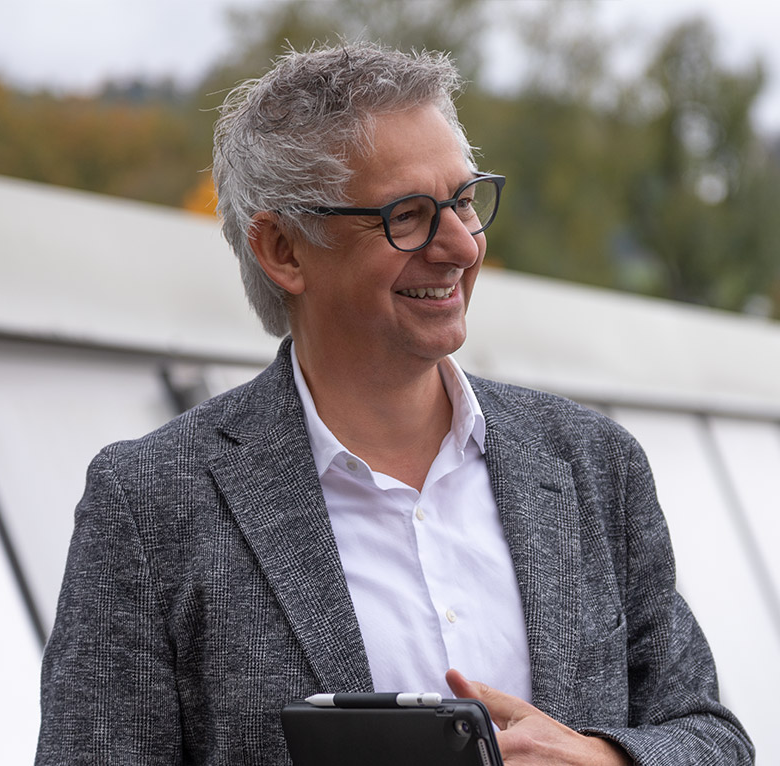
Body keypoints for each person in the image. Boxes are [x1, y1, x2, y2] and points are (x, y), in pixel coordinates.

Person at [36, 43, 751, 765]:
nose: (462, 246)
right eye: (408, 216)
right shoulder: (152, 504)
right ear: (283, 249)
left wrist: (604, 760)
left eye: (464, 201)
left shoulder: (594, 463)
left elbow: (711, 736)